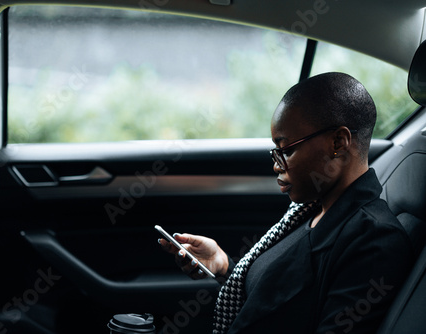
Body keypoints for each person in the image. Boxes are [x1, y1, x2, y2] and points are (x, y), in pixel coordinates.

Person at [158, 72, 415, 333]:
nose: (275, 164)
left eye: (287, 150)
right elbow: (279, 298)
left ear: (338, 142)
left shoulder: (374, 241)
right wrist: (225, 267)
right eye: (275, 151)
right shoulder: (310, 211)